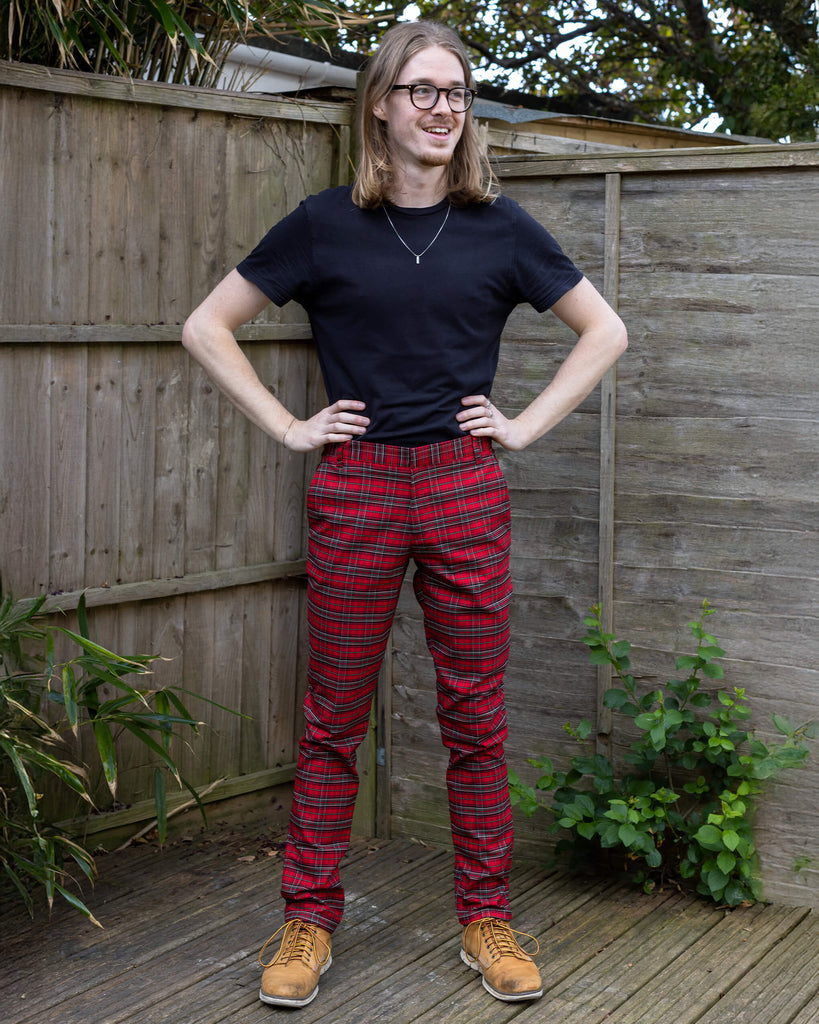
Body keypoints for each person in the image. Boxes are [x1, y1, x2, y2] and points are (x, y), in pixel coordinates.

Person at [182, 19, 627, 1009]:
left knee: (475, 718)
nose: (442, 110)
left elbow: (606, 330)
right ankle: (308, 918)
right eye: (422, 91)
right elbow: (206, 326)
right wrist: (291, 425)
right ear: (379, 104)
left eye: (457, 93)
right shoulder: (321, 225)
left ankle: (485, 918)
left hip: (465, 485)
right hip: (359, 485)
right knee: (333, 717)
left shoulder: (502, 230)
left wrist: (520, 426)